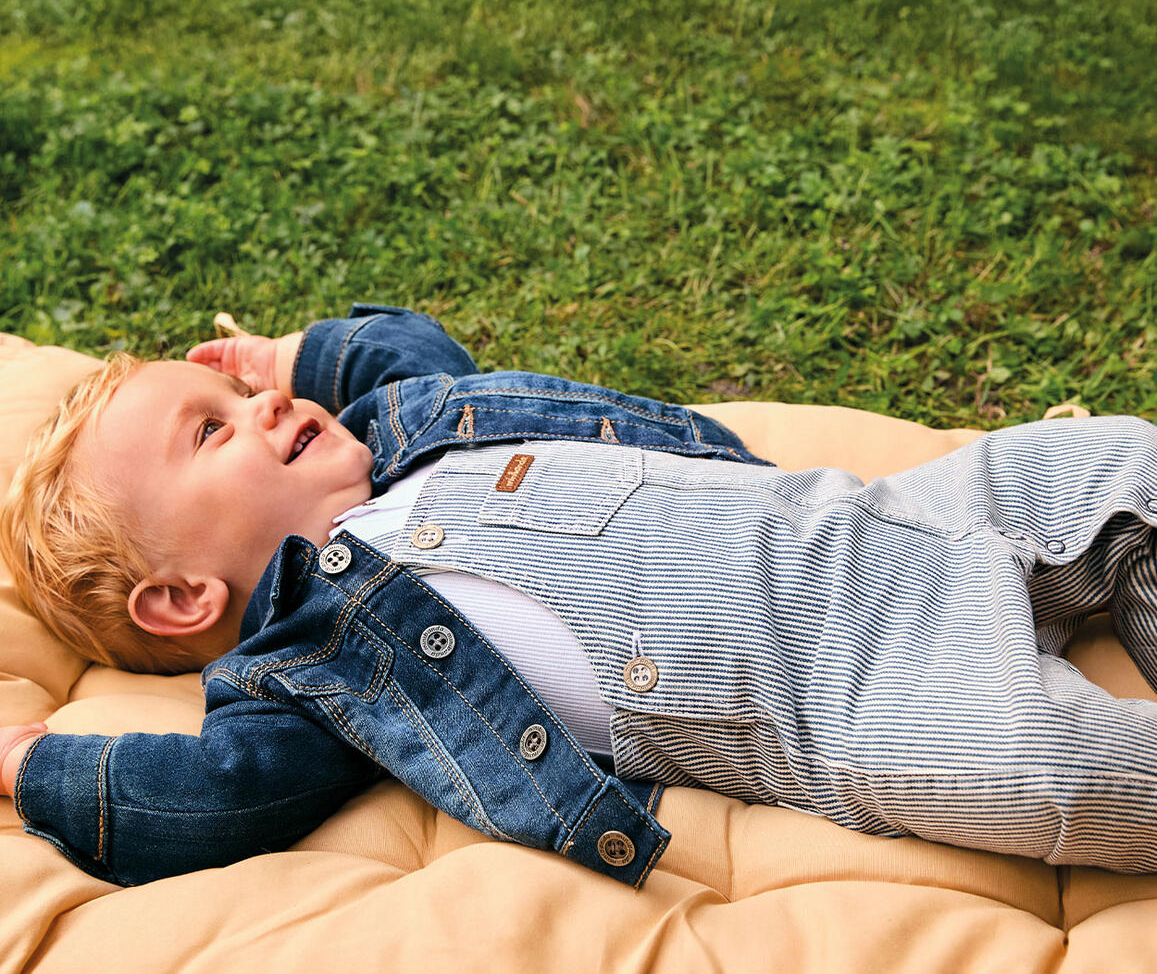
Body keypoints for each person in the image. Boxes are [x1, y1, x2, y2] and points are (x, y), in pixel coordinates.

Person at [2, 303, 1157, 890]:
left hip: (869, 517)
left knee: (1113, 459)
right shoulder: (316, 665)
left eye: (233, 394)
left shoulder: (413, 433)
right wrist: (24, 763)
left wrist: (294, 353)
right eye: (209, 428)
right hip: (846, 696)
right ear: (180, 597)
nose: (253, 409)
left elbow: (414, 347)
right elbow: (217, 794)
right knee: (1059, 776)